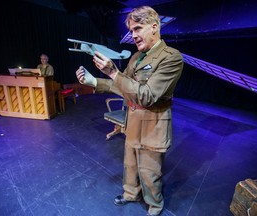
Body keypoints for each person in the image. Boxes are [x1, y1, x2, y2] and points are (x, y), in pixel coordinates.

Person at [76, 6, 183, 216]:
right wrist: (94, 81)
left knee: (150, 170)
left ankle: (154, 206)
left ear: (154, 27)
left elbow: (147, 95)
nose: (133, 35)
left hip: (154, 121)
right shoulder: (136, 57)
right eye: (131, 30)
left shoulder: (171, 58)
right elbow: (122, 85)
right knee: (130, 164)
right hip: (133, 119)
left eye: (138, 28)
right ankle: (130, 194)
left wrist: (114, 73)